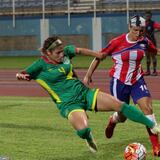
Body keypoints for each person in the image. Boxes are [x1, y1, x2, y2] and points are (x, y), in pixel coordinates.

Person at [16, 36, 160, 153]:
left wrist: (97, 55)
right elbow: (23, 74)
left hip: (84, 93)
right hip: (69, 104)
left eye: (62, 51)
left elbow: (79, 50)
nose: (62, 54)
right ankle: (88, 137)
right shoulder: (39, 65)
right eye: (58, 53)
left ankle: (153, 125)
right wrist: (20, 76)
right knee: (84, 130)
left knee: (120, 105)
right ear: (48, 53)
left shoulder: (65, 52)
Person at [83, 15, 160, 156]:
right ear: (129, 27)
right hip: (119, 82)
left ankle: (156, 147)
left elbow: (155, 51)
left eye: (141, 31)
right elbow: (99, 57)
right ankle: (113, 120)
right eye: (136, 30)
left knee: (148, 109)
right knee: (123, 116)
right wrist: (88, 75)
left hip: (137, 80)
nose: (139, 34)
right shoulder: (117, 42)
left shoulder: (145, 41)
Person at [144, 11, 160, 76]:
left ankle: (154, 71)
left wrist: (156, 30)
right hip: (145, 42)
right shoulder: (143, 23)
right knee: (147, 57)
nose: (147, 17)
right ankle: (148, 71)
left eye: (149, 16)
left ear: (151, 16)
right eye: (146, 16)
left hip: (152, 42)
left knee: (153, 56)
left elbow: (159, 27)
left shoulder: (153, 23)